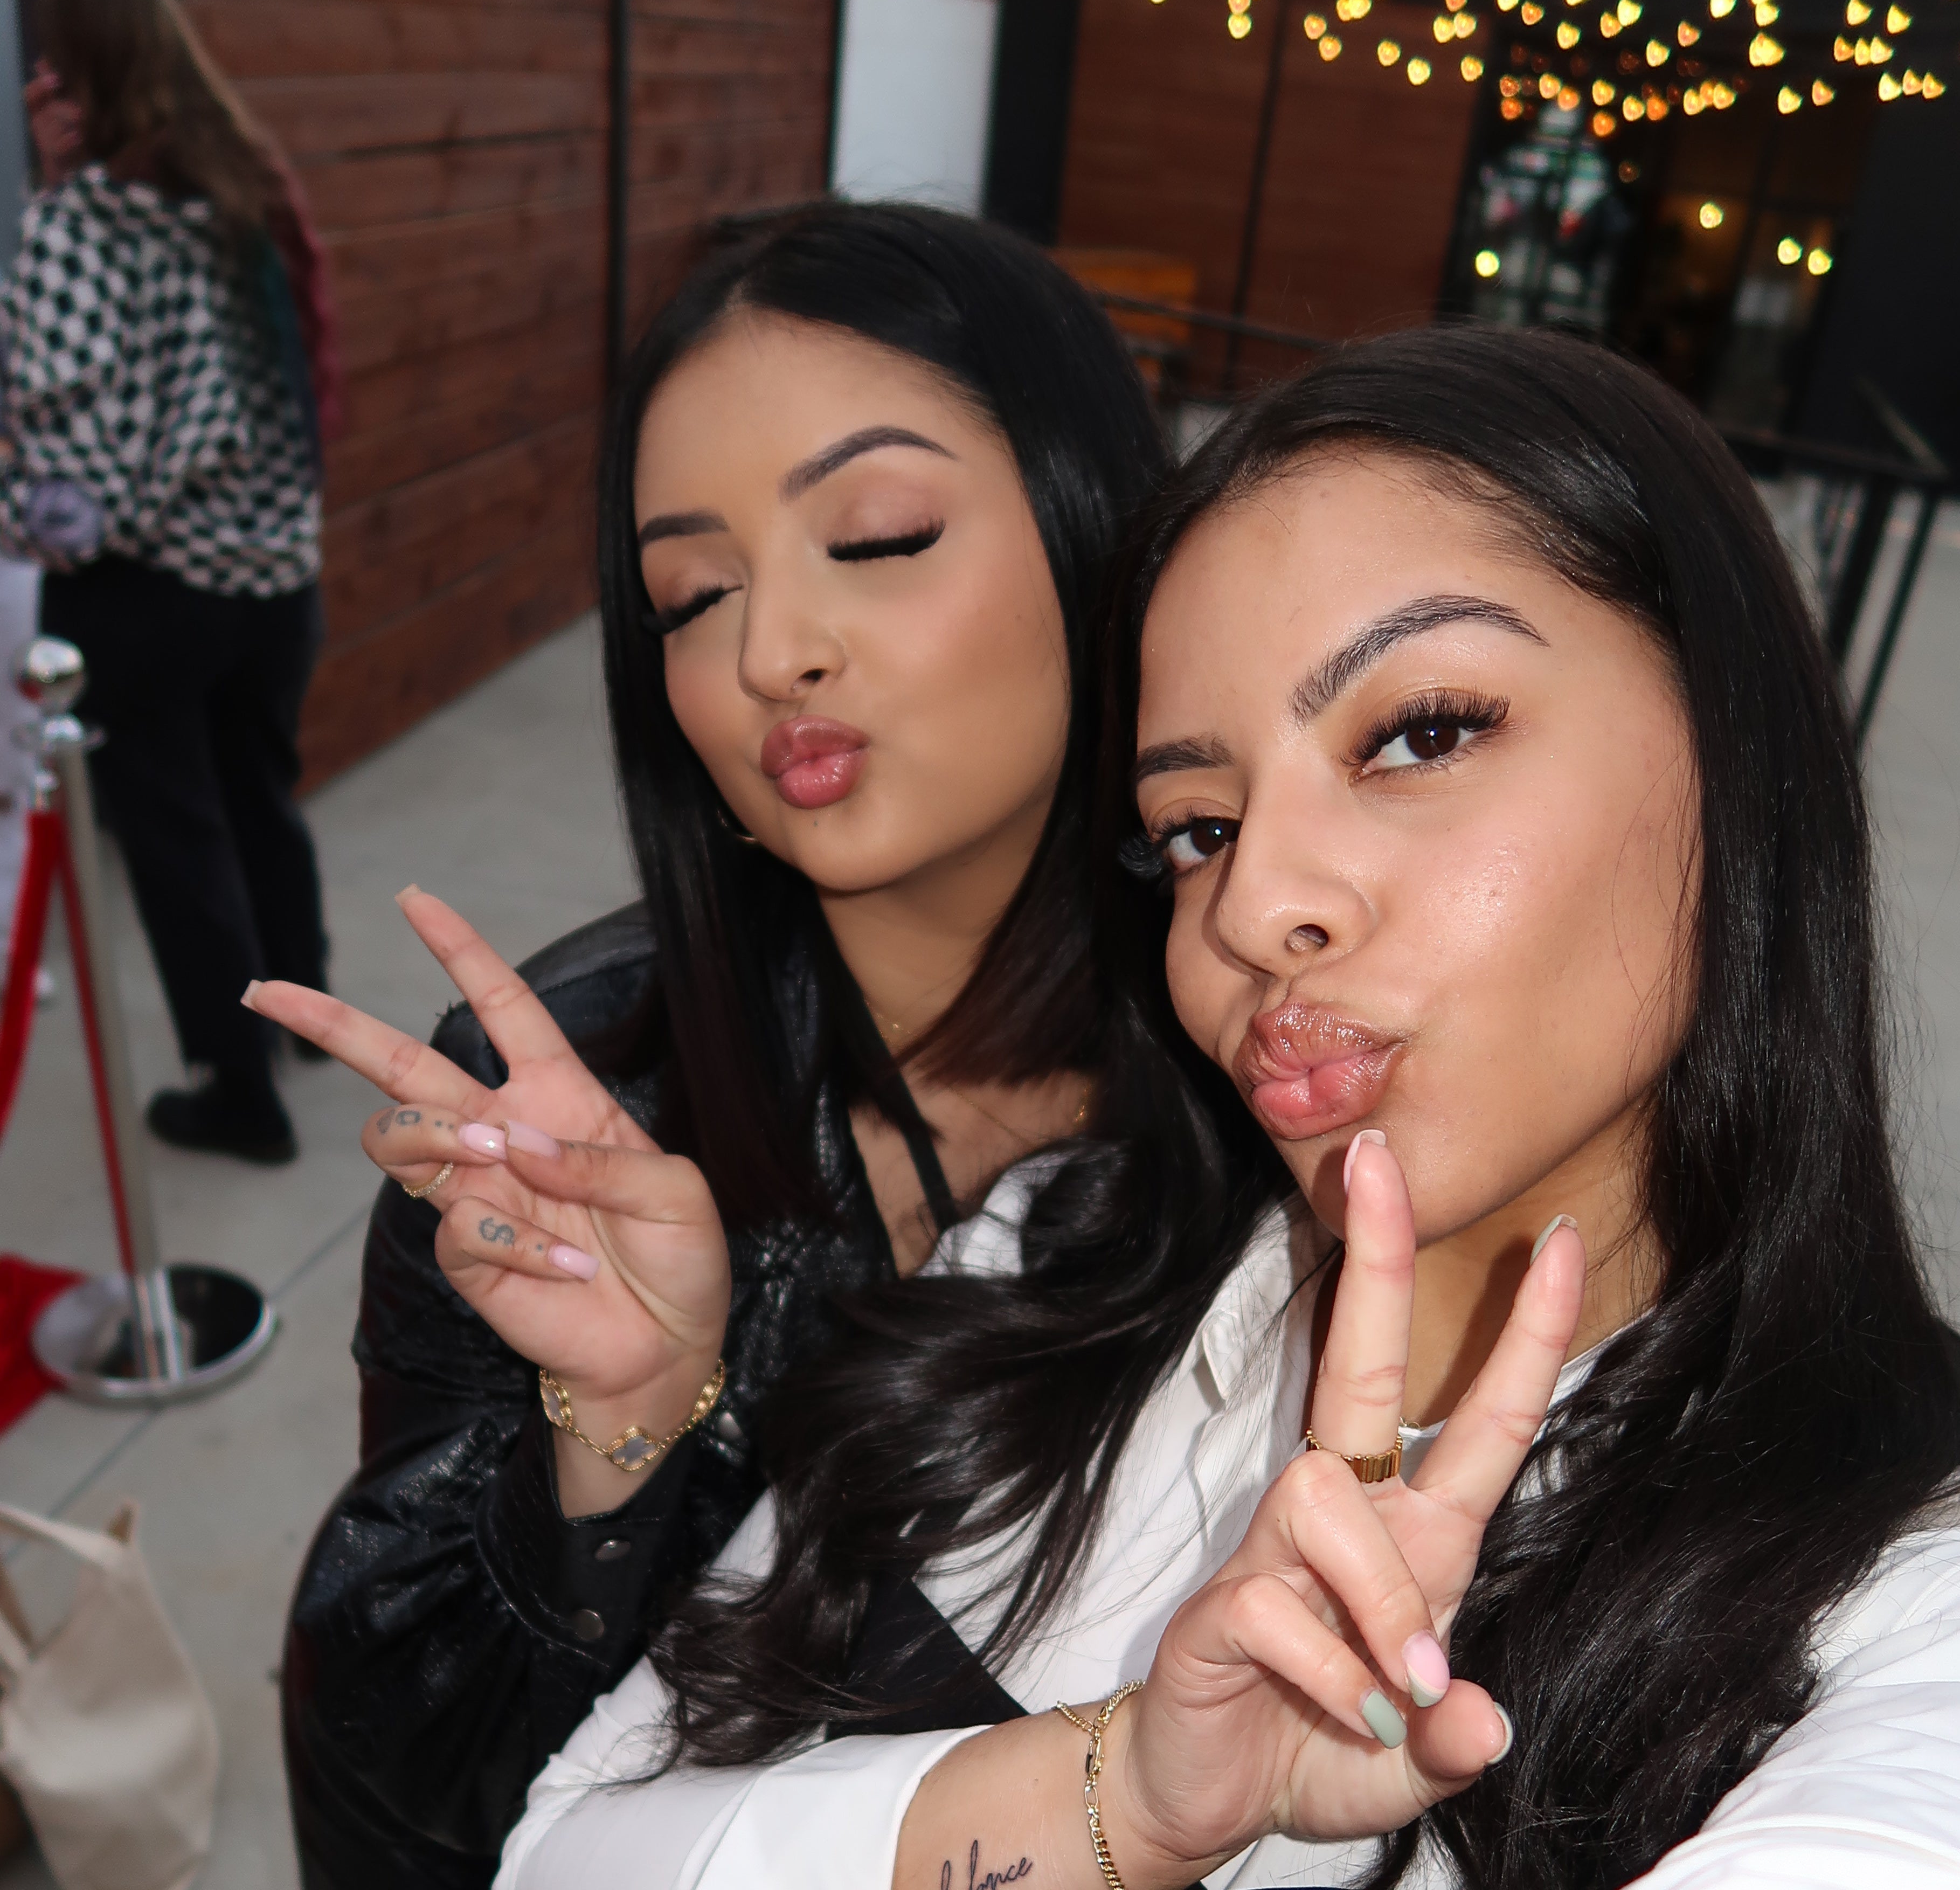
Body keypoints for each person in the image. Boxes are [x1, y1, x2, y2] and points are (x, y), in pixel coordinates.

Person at [488, 324, 1960, 1890]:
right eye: (1196, 827)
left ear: (1739, 755)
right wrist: (1118, 1802)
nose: (1252, 909)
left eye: (1420, 734)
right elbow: (569, 1851)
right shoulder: (1056, 1259)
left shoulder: (1906, 1589)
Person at [247, 204, 1279, 1888]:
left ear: (1093, 523)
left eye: (875, 535)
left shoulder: (1276, 1066)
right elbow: (426, 1771)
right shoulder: (573, 1105)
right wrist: (619, 1434)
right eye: (692, 591)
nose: (766, 651)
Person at [0, 0, 340, 1163]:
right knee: (258, 796)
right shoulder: (246, 190)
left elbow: (76, 493)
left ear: (82, 75)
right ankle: (307, 1014)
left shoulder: (83, 224)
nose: (37, 78)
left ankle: (239, 1097)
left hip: (153, 596)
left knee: (177, 838)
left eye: (51, 57)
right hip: (276, 577)